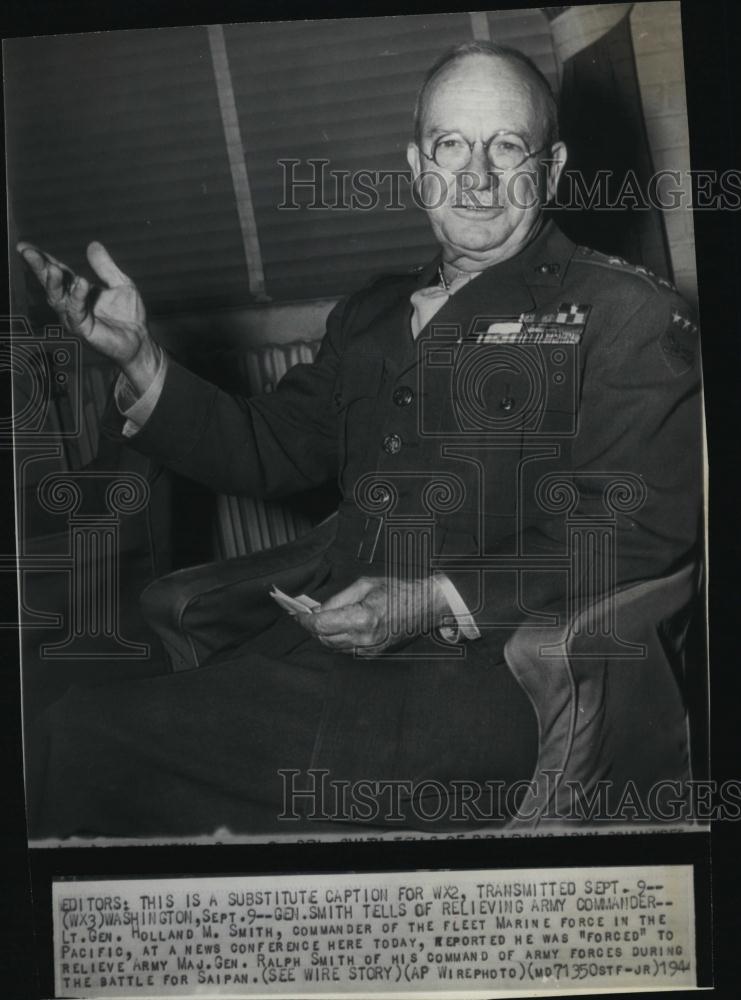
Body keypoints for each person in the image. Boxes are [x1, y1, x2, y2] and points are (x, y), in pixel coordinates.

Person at [19, 42, 702, 838]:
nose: (476, 178)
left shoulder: (623, 312)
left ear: (549, 171)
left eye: (506, 147)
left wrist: (432, 599)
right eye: (451, 145)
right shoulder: (372, 313)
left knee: (83, 739)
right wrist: (143, 361)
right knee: (84, 731)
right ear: (417, 166)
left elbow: (633, 526)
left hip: (481, 685)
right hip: (327, 655)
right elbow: (270, 446)